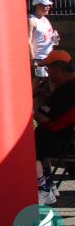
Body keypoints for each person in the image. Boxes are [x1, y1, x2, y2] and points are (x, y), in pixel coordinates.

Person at [33, 49, 75, 204]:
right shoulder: (68, 88)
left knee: (27, 145)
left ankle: (42, 188)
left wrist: (34, 94)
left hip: (63, 142)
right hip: (67, 138)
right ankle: (48, 184)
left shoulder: (66, 91)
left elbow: (40, 116)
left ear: (58, 69)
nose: (47, 73)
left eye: (48, 68)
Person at [30, 0, 59, 92]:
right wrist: (33, 59)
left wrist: (55, 38)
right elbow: (28, 41)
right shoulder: (31, 20)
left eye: (49, 5)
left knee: (51, 84)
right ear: (37, 6)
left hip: (49, 57)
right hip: (38, 59)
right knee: (36, 85)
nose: (48, 7)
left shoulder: (45, 19)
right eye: (45, 5)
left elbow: (49, 35)